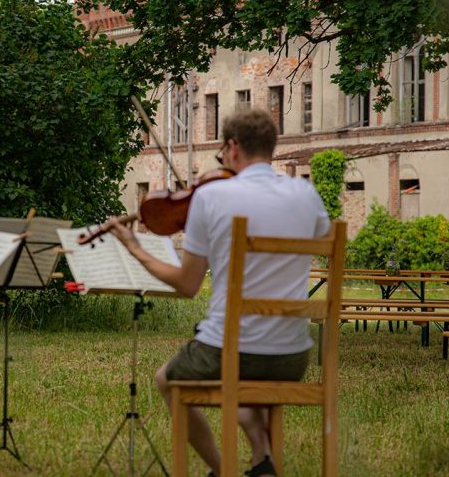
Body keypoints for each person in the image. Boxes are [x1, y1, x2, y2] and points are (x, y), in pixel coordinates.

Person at [109, 108, 330, 477]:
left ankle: (223, 470)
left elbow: (187, 284)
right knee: (244, 380)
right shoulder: (306, 194)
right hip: (292, 357)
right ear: (270, 148)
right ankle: (261, 460)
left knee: (167, 379)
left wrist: (135, 249)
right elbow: (323, 235)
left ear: (232, 147)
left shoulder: (212, 197)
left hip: (231, 353)